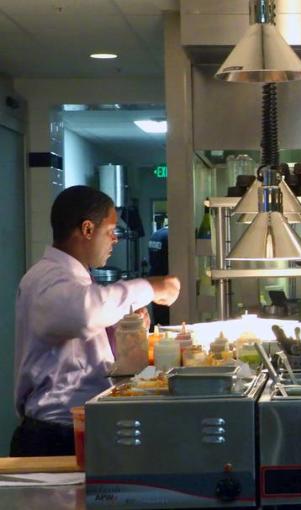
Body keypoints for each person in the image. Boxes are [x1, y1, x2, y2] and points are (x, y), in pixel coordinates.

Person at [12, 186, 181, 457]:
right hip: (54, 436)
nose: (115, 239)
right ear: (87, 229)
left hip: (76, 427)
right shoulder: (48, 278)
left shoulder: (72, 280)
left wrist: (119, 329)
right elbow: (85, 313)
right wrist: (152, 287)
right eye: (110, 231)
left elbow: (77, 346)